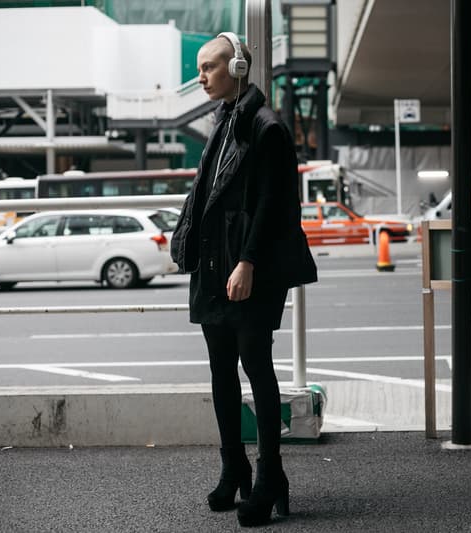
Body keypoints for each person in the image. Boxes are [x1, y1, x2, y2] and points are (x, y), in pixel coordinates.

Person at [170, 32, 317, 528]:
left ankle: (270, 473)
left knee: (256, 365)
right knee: (219, 369)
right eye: (199, 68)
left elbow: (274, 206)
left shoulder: (264, 126)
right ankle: (233, 467)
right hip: (216, 264)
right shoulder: (222, 120)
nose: (201, 77)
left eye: (209, 67)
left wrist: (248, 262)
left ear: (236, 67)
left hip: (248, 267)